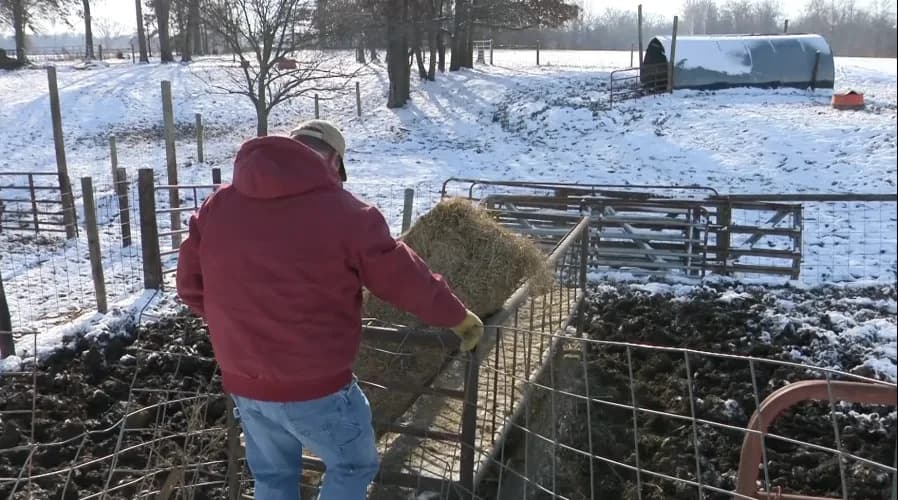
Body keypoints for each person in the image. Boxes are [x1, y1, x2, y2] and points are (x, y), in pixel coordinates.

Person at [175, 119, 483, 500]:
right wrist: (457, 317)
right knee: (353, 466)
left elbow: (189, 286)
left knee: (273, 478)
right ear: (334, 160)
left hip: (244, 380)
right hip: (315, 384)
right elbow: (403, 277)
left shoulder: (218, 205)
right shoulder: (347, 213)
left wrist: (242, 324)